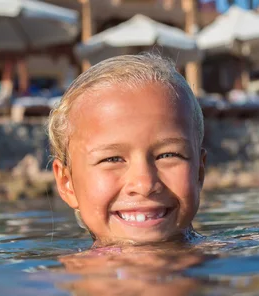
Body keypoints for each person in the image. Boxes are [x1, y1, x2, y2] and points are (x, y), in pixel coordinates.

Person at [49, 54, 206, 247]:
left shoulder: (233, 260)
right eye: (112, 159)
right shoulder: (52, 275)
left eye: (168, 155)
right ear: (67, 183)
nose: (144, 184)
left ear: (199, 173)